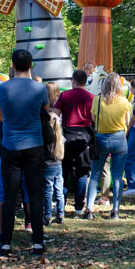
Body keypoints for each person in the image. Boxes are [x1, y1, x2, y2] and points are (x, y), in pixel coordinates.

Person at [0, 49, 50, 257]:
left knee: (9, 196)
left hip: (10, 145)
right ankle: (37, 242)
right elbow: (45, 109)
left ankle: (6, 243)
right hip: (35, 145)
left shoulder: (2, 88)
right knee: (35, 195)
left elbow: (0, 116)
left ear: (12, 65)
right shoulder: (39, 88)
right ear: (31, 64)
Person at [85, 72, 132, 219]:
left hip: (101, 139)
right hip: (119, 138)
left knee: (94, 175)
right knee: (117, 177)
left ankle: (89, 209)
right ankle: (115, 210)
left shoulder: (97, 100)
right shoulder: (125, 102)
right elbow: (127, 122)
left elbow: (93, 118)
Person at [52, 70, 95, 216]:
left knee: (63, 171)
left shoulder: (65, 95)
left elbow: (55, 114)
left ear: (73, 80)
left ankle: (60, 205)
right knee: (82, 173)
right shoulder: (91, 97)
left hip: (67, 136)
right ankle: (78, 207)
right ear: (85, 81)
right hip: (85, 137)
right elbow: (95, 118)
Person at [42, 92, 65, 225]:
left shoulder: (46, 139)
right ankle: (61, 214)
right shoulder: (60, 137)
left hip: (47, 165)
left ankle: (47, 215)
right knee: (59, 190)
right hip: (58, 164)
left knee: (48, 191)